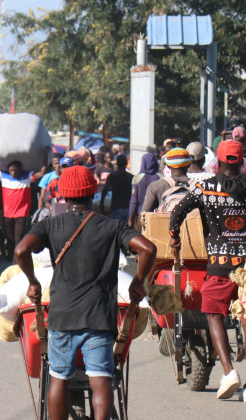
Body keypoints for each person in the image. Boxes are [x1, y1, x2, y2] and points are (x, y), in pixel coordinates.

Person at [16, 165, 156, 420]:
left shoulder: (51, 225)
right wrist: (138, 281)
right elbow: (147, 248)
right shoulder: (112, 227)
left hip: (62, 316)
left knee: (59, 377)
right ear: (93, 192)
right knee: (101, 378)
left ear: (63, 195)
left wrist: (33, 282)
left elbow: (20, 251)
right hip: (100, 317)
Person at [169, 140, 246, 403]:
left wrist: (174, 238)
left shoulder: (206, 188)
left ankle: (229, 372)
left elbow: (177, 213)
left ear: (218, 163)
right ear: (242, 161)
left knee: (212, 314)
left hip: (219, 267)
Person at [141, 148, 192, 213]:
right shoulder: (199, 186)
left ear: (168, 166)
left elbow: (144, 216)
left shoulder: (155, 186)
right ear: (189, 164)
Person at [128, 152, 160, 230]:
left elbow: (134, 201)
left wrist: (130, 218)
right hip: (156, 217)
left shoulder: (137, 178)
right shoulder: (160, 178)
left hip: (140, 216)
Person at [99, 154, 133, 221]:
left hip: (116, 207)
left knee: (115, 230)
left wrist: (101, 203)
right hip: (127, 208)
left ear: (117, 163)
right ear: (126, 163)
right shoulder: (131, 177)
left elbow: (105, 190)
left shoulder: (112, 176)